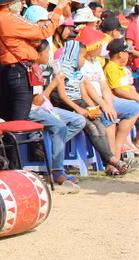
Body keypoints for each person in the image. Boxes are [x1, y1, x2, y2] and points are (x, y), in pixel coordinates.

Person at [52, 27, 129, 176]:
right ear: (73, 56)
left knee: (100, 125)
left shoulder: (77, 71)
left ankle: (111, 160)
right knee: (92, 128)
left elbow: (83, 94)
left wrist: (93, 108)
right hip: (67, 106)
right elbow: (63, 96)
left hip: (80, 103)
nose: (83, 59)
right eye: (81, 57)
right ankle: (112, 160)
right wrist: (81, 110)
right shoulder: (62, 70)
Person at [0, 0, 71, 121]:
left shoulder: (1, 16)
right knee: (20, 120)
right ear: (9, 0)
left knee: (12, 119)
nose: (22, 2)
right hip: (19, 71)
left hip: (13, 70)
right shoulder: (9, 17)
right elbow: (44, 30)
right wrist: (59, 7)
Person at [28, 40, 85, 191]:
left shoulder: (39, 69)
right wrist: (53, 84)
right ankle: (57, 171)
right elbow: (37, 101)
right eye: (47, 52)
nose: (49, 56)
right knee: (60, 127)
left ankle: (46, 147)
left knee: (79, 120)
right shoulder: (32, 70)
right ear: (38, 54)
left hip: (45, 108)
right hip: (34, 110)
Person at [77, 27, 139, 161]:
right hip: (90, 102)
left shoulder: (96, 62)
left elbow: (104, 86)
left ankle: (118, 149)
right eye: (99, 45)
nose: (101, 48)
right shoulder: (81, 63)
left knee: (134, 108)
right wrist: (105, 106)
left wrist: (109, 105)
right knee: (109, 119)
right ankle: (112, 161)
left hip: (105, 100)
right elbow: (88, 89)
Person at [102, 38, 139, 152]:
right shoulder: (111, 68)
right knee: (135, 108)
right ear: (120, 54)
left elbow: (126, 88)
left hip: (125, 100)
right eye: (127, 52)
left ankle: (129, 142)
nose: (129, 55)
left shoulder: (121, 68)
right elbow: (117, 91)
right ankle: (122, 143)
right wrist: (136, 97)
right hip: (116, 101)